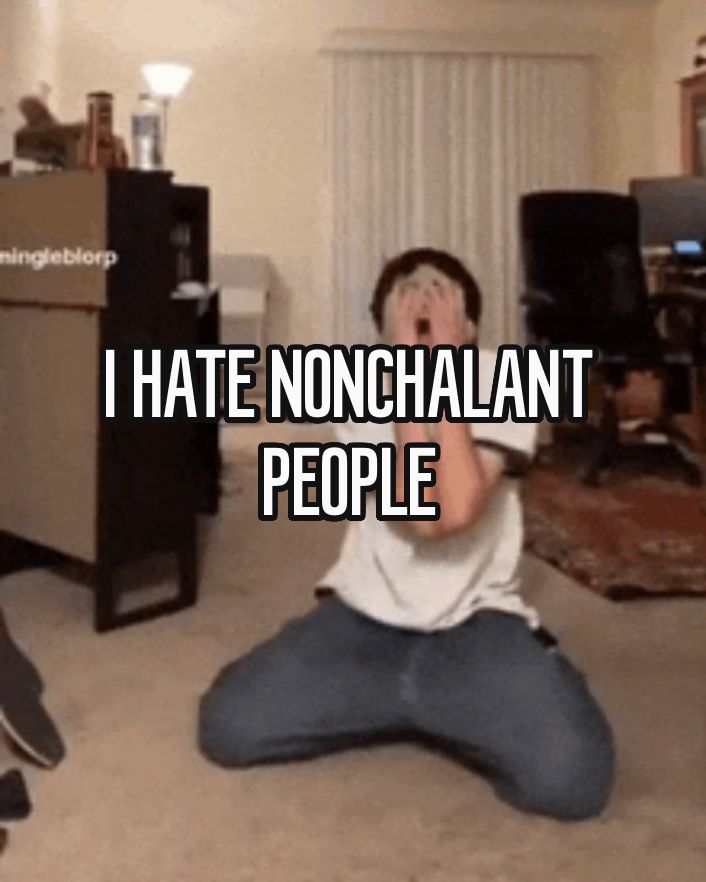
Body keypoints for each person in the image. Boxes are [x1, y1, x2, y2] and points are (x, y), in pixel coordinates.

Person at [198, 248, 615, 821]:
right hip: (364, 617)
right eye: (408, 297)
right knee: (228, 727)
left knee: (572, 781)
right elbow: (416, 510)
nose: (423, 305)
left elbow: (450, 513)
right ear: (384, 328)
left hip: (478, 623)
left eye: (439, 297)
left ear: (469, 326)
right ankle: (398, 698)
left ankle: (524, 676)